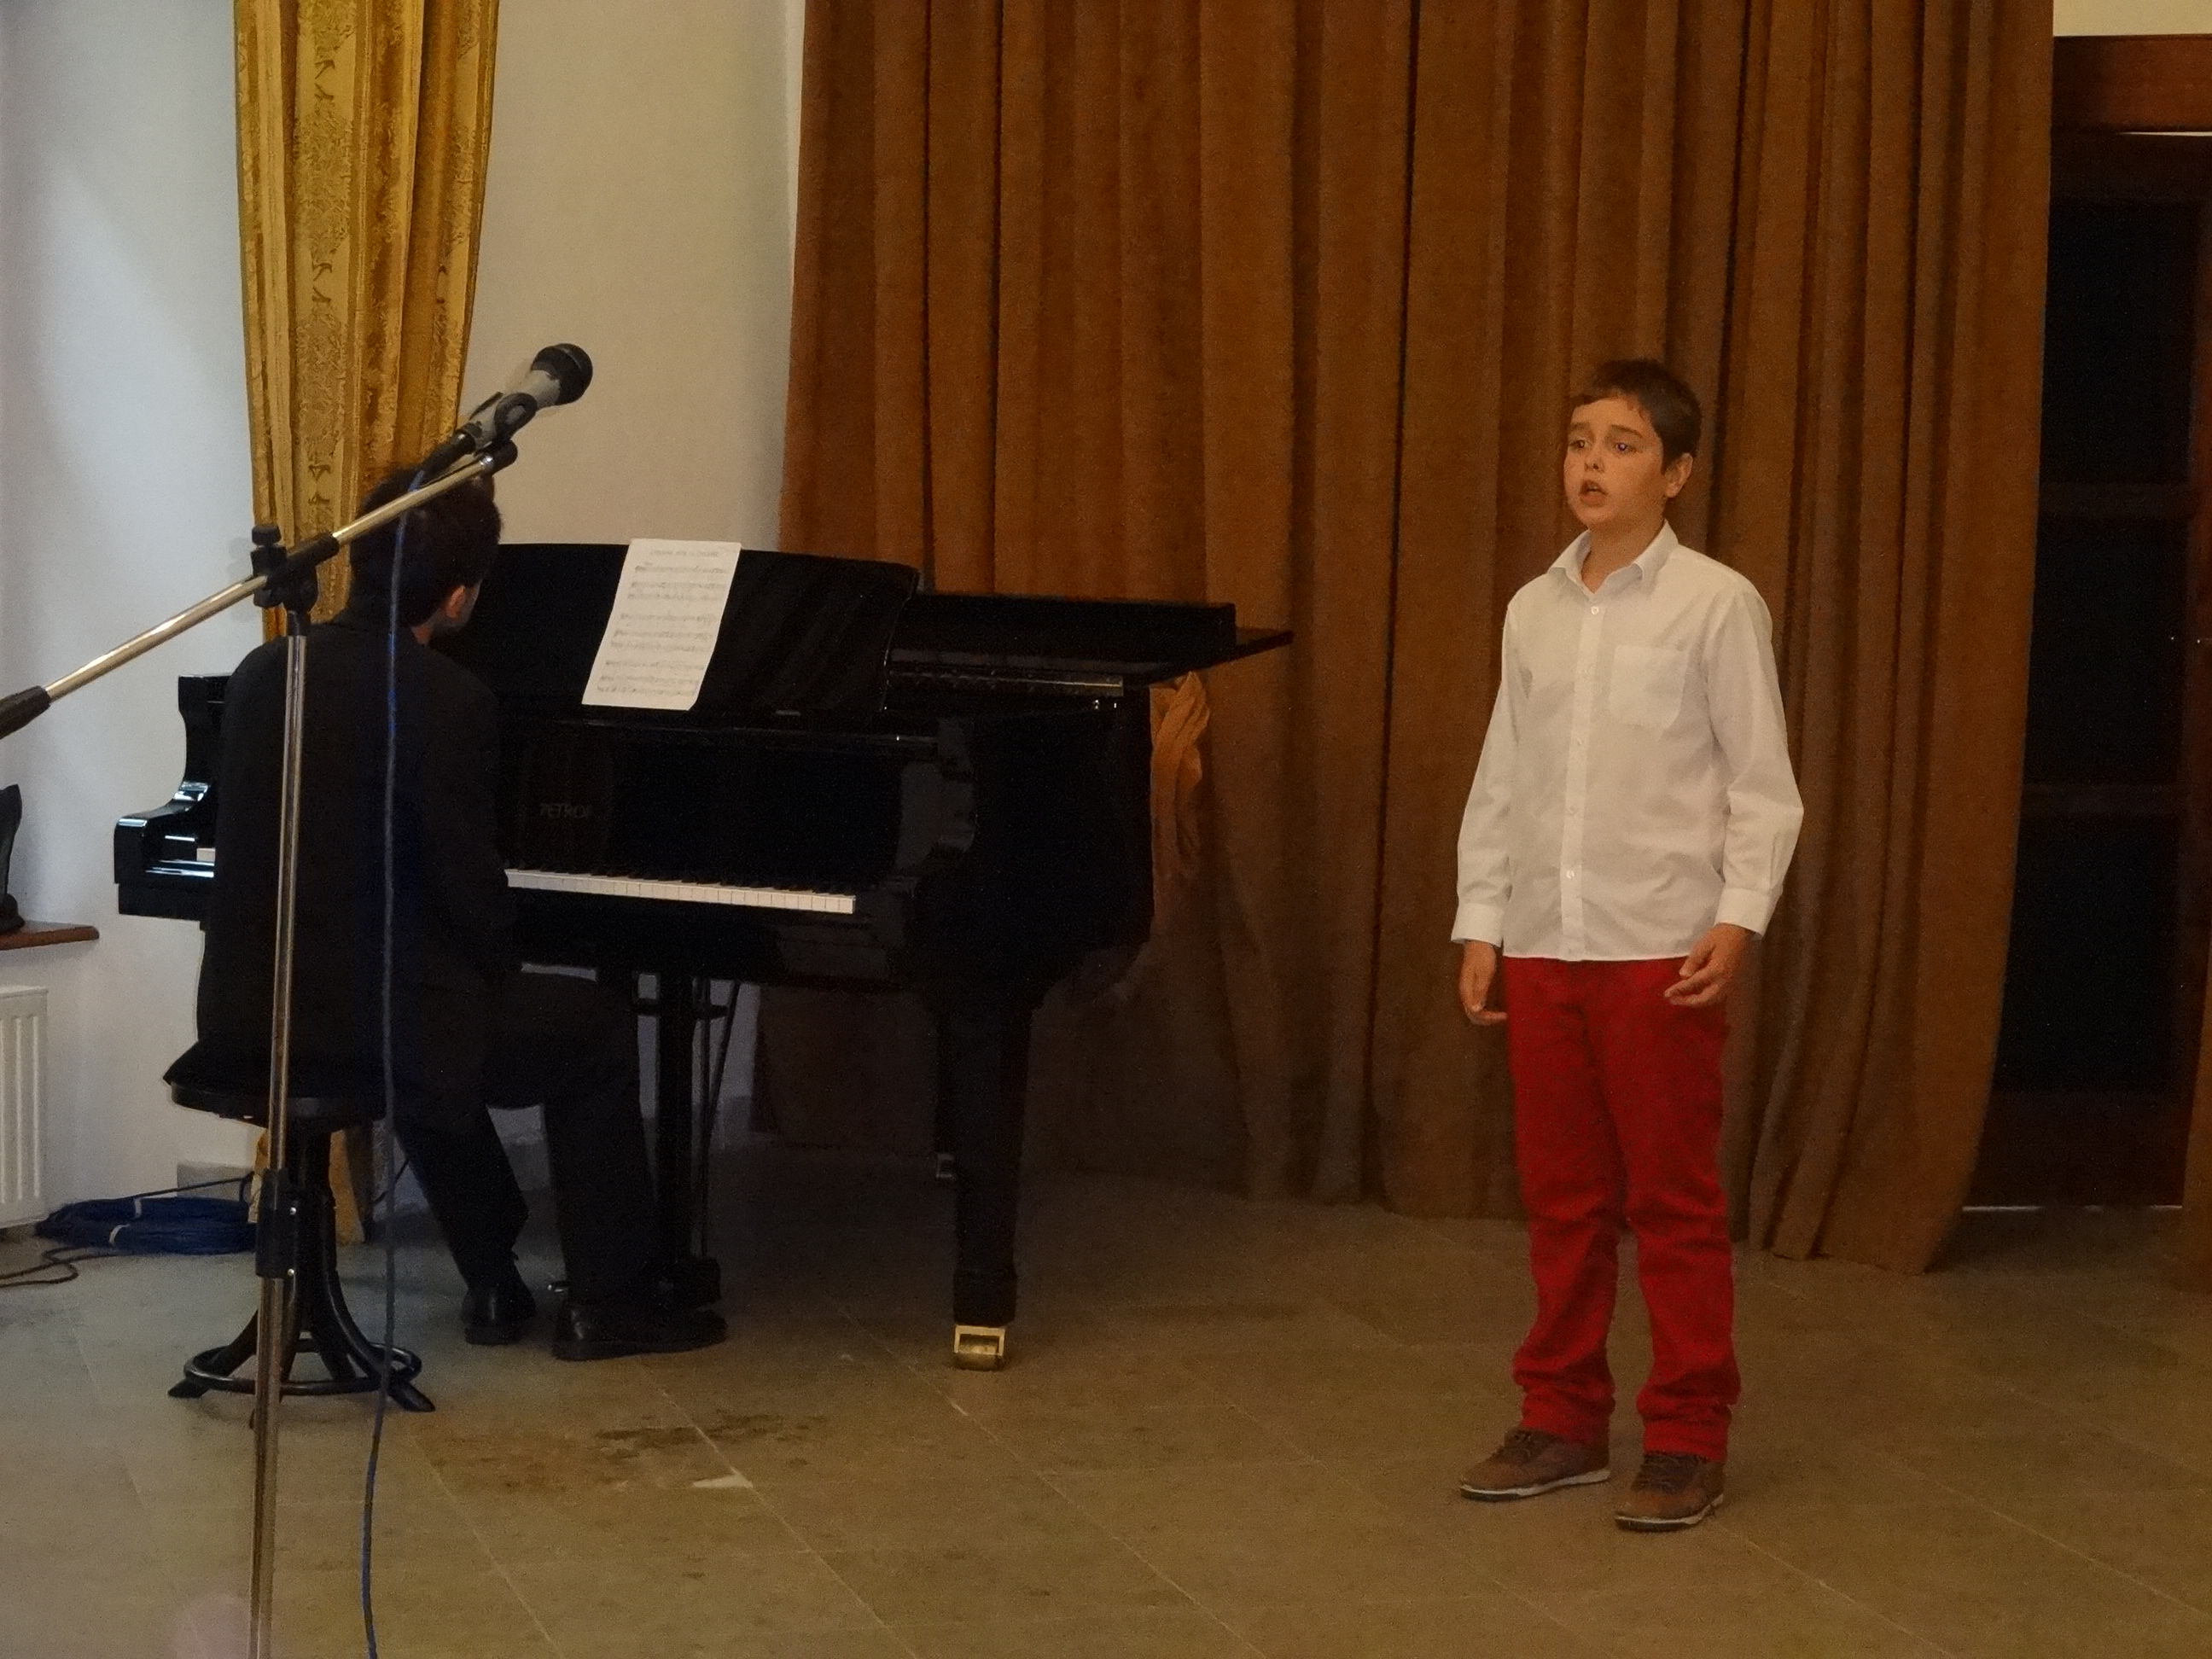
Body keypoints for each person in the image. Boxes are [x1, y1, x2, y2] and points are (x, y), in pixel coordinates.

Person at [194, 466, 726, 1361]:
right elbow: (466, 886)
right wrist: (500, 957)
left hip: (252, 1013)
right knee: (586, 1024)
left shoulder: (262, 673)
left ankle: (492, 1275)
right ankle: (611, 1303)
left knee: (437, 1002)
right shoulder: (450, 697)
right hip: (373, 1022)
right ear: (459, 596)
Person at [1452, 360, 1802, 1530]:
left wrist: (1738, 916)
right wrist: (1484, 921)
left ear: (1679, 472)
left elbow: (1763, 784)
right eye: (1578, 441)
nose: (1591, 463)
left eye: (1622, 444)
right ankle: (1560, 1417)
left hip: (1659, 946)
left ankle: (1689, 1435)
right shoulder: (1534, 609)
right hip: (1547, 942)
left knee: (1673, 1201)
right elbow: (1504, 775)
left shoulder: (1716, 605)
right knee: (1563, 1198)